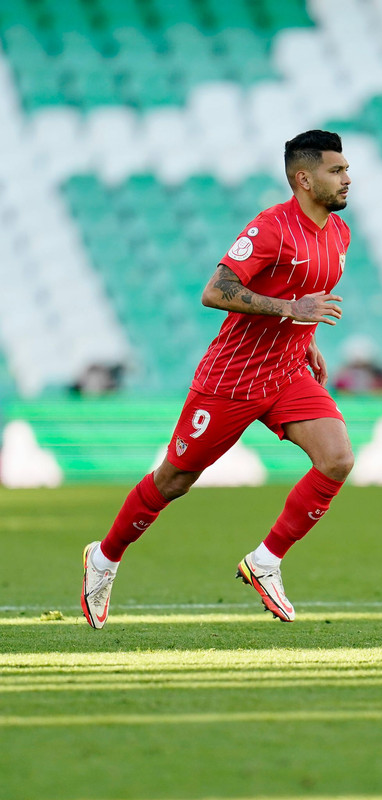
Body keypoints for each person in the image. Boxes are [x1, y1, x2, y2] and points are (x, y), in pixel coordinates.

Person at [81, 129, 353, 628]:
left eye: (346, 169)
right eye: (336, 171)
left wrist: (307, 338)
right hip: (233, 376)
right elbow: (216, 290)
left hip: (287, 372)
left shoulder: (339, 233)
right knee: (175, 479)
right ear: (303, 179)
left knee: (336, 459)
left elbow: (302, 291)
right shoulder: (271, 228)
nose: (346, 178)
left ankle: (266, 561)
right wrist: (294, 310)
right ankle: (105, 557)